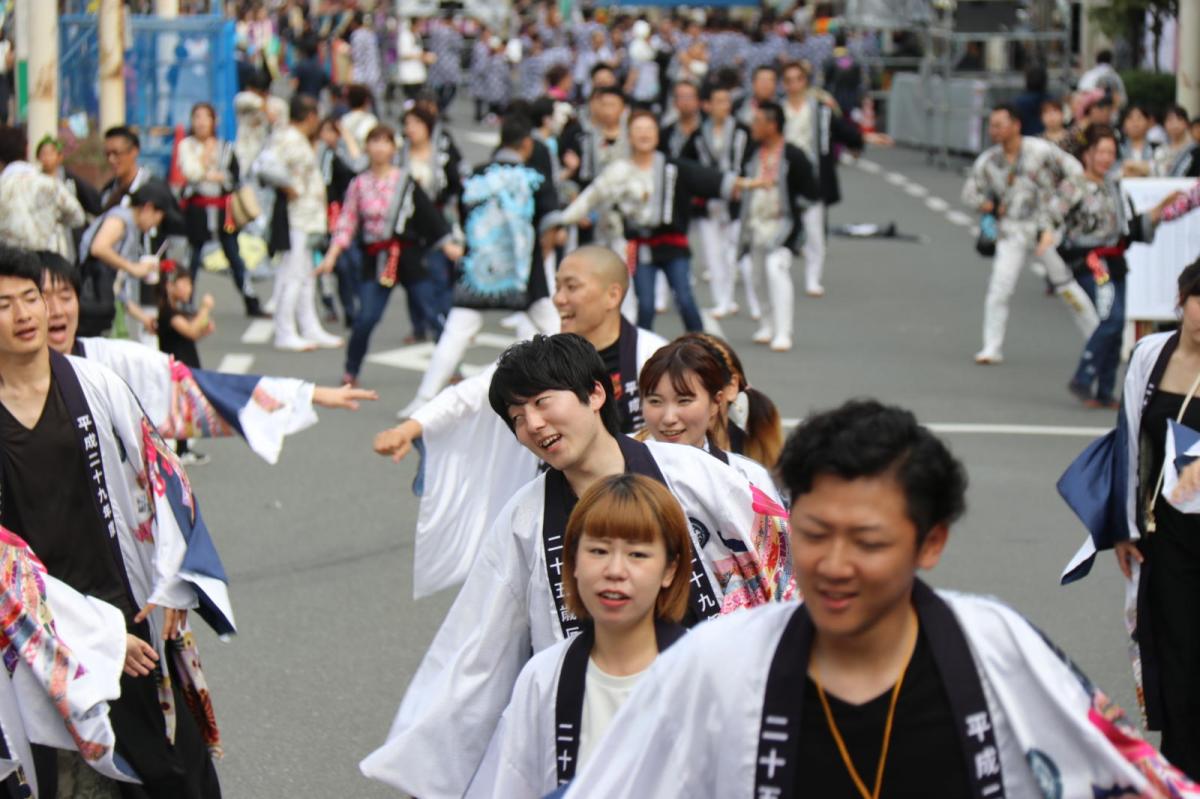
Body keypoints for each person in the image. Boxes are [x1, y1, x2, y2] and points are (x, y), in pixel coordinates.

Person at [564, 399, 1200, 797]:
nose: (834, 565)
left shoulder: (995, 648)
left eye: (867, 541)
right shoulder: (718, 661)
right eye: (814, 534)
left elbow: (1128, 775)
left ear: (930, 543)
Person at [360, 333, 794, 797]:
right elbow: (477, 653)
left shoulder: (690, 473)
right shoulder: (526, 520)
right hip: (599, 722)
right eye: (517, 417)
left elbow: (780, 560)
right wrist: (431, 771)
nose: (533, 424)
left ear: (595, 393)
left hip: (714, 701)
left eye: (543, 402)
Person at [0, 245, 233, 798]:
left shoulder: (91, 382)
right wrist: (94, 636)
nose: (27, 313)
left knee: (170, 772)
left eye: (31, 297)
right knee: (48, 780)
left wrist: (178, 578)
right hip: (30, 631)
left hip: (121, 606)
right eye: (5, 304)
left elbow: (164, 472)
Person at [374, 245, 666, 598]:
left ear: (613, 294)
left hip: (644, 508)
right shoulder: (544, 357)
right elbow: (473, 392)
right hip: (564, 507)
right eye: (555, 287)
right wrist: (411, 428)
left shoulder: (652, 356)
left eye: (571, 287)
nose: (558, 299)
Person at [465, 473, 693, 796]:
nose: (615, 571)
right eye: (598, 551)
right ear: (571, 562)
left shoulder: (705, 674)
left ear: (670, 569)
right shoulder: (544, 677)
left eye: (637, 554)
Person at [40, 251, 376, 466]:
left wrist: (307, 394)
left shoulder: (110, 361)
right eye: (39, 298)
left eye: (65, 296)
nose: (55, 310)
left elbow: (204, 390)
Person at [1065, 258, 1200, 780]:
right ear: (1181, 300)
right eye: (1197, 299)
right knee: (1175, 651)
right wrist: (1122, 527)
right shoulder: (1150, 354)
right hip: (1166, 533)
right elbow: (1129, 440)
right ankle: (1182, 772)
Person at [398, 114, 560, 414]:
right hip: (524, 269)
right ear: (526, 144)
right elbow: (551, 222)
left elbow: (463, 215)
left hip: (478, 268)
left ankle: (423, 398)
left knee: (456, 331)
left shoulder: (475, 175)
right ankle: (569, 388)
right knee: (556, 327)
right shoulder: (533, 177)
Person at [560, 109, 754, 333]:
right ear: (629, 136)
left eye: (649, 129)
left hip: (673, 243)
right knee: (646, 305)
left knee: (684, 298)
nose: (644, 135)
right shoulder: (619, 170)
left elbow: (706, 178)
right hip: (641, 246)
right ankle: (641, 353)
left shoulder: (673, 167)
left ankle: (701, 347)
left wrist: (744, 184)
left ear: (657, 135)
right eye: (638, 130)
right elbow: (592, 196)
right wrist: (564, 218)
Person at [317, 124, 461, 387]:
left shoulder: (404, 181)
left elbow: (428, 216)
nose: (380, 147)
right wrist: (331, 256)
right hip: (377, 257)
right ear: (367, 147)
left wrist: (447, 245)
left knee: (431, 311)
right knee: (366, 317)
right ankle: (351, 370)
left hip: (408, 254)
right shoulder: (359, 183)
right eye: (374, 142)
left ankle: (452, 365)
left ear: (394, 148)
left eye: (385, 142)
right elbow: (347, 223)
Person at [961, 104, 1098, 364]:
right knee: (1000, 287)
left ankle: (1095, 337)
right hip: (1011, 229)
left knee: (1066, 286)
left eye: (1000, 124)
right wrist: (988, 204)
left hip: (1045, 228)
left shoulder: (1040, 151)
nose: (995, 130)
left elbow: (1076, 172)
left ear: (1016, 125)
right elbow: (969, 192)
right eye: (992, 125)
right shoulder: (989, 160)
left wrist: (1058, 208)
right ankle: (992, 346)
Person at [1056, 126, 1149, 410]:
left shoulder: (1114, 186)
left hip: (1116, 260)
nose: (1106, 158)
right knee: (1112, 317)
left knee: (1118, 323)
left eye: (1111, 152)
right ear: (1088, 154)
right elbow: (1052, 218)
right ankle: (1083, 376)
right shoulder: (1073, 185)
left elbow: (1130, 226)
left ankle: (1105, 390)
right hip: (1092, 260)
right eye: (1101, 152)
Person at [638, 336, 782, 501]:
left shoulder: (749, 478)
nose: (669, 418)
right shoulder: (620, 463)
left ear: (715, 402)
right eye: (655, 401)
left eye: (684, 400)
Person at [737, 101, 820, 352]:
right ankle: (766, 323)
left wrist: (795, 210)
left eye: (758, 121)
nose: (753, 126)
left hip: (783, 226)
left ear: (772, 125)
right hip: (755, 223)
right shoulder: (752, 152)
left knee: (776, 269)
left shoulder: (794, 155)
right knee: (757, 275)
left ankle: (784, 330)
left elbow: (811, 191)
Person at [780, 60, 864, 297]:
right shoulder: (777, 110)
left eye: (798, 79)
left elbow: (842, 129)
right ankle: (779, 271)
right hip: (783, 176)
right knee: (780, 228)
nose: (794, 85)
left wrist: (860, 140)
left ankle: (812, 278)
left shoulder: (820, 109)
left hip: (813, 175)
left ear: (805, 82)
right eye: (788, 80)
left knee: (815, 230)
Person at [267, 94, 343, 352]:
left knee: (306, 275)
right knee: (293, 273)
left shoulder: (295, 138)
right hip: (295, 216)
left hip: (308, 216)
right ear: (310, 117)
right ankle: (284, 330)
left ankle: (309, 325)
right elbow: (264, 165)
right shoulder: (288, 137)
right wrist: (289, 186)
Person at [178, 102, 265, 318]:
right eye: (196, 117)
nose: (200, 122)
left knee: (234, 256)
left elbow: (233, 177)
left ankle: (251, 300)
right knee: (192, 259)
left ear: (214, 121)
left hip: (223, 212)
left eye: (205, 117)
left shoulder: (226, 147)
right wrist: (209, 172)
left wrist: (211, 174)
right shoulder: (187, 145)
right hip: (197, 210)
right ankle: (186, 301)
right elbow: (190, 172)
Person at [77, 180, 176, 339]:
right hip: (90, 308)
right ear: (148, 208)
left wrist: (143, 318)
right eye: (159, 216)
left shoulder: (129, 226)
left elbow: (117, 290)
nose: (157, 224)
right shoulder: (120, 219)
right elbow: (98, 247)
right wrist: (133, 267)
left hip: (99, 306)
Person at [401, 102, 464, 340]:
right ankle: (419, 325)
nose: (412, 129)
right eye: (408, 124)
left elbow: (456, 185)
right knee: (413, 279)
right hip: (409, 225)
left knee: (440, 278)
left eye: (416, 123)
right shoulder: (399, 153)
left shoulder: (442, 152)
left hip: (439, 222)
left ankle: (444, 329)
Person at [695, 83, 752, 321]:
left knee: (737, 252)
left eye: (727, 102)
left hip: (737, 200)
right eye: (718, 101)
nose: (723, 107)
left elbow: (750, 163)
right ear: (707, 105)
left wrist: (741, 185)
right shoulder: (698, 134)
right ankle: (721, 300)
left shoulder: (742, 131)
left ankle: (750, 302)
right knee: (713, 253)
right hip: (708, 201)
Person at [0, 126, 85, 257]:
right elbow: (78, 217)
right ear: (27, 149)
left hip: (8, 265)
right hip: (47, 264)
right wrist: (53, 218)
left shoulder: (3, 186)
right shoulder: (50, 184)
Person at [315, 116, 367, 328]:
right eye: (324, 131)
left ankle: (354, 308)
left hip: (347, 216)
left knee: (352, 264)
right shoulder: (316, 154)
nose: (328, 136)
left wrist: (347, 137)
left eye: (332, 131)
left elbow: (358, 166)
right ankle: (335, 306)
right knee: (332, 265)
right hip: (321, 215)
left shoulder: (342, 155)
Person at [99, 127, 151, 210]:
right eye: (107, 154)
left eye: (116, 153)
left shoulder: (151, 188)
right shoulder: (107, 191)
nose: (111, 160)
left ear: (134, 151)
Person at [1153, 105, 1200, 178]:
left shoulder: (1195, 150)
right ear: (1164, 125)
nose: (1174, 124)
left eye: (1179, 119)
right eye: (1170, 120)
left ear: (1186, 123)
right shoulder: (1159, 151)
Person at [1118, 103, 1157, 177]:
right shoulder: (1117, 149)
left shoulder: (1156, 147)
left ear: (1148, 123)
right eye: (1130, 118)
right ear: (1123, 124)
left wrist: (1130, 165)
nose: (1135, 123)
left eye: (1139, 118)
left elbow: (1160, 171)